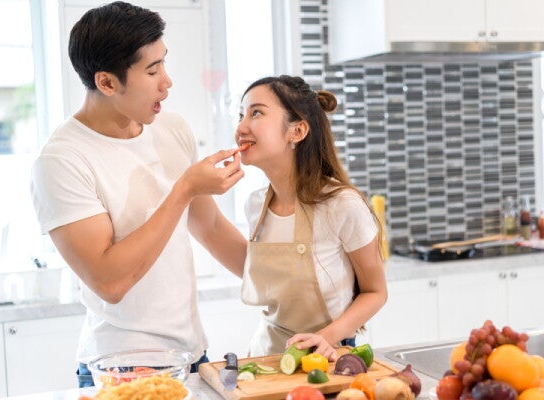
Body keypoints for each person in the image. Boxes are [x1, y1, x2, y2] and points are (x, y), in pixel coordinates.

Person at [30, 1, 247, 387]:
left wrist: (290, 287)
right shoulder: (62, 161)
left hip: (192, 356)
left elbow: (211, 227)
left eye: (163, 63)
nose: (167, 81)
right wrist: (183, 190)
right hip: (120, 368)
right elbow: (110, 282)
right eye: (152, 70)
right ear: (107, 82)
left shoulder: (172, 128)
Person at [235, 75, 388, 361]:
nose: (241, 127)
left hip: (327, 360)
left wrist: (325, 337)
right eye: (241, 115)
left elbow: (375, 291)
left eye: (256, 113)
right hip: (265, 359)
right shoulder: (255, 205)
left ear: (297, 131)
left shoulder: (341, 204)